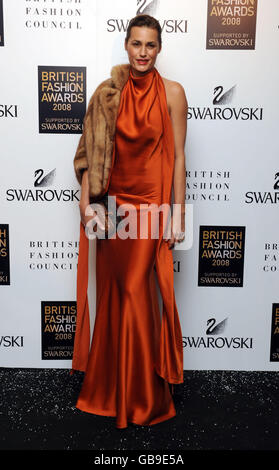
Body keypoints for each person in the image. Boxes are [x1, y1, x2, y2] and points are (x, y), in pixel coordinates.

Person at [71, 14, 188, 429]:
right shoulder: (106, 94)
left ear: (159, 49)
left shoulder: (173, 93)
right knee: (116, 294)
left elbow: (178, 160)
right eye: (136, 44)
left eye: (150, 45)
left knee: (138, 292)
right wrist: (87, 205)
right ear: (126, 45)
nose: (142, 53)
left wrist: (177, 213)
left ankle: (141, 398)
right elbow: (89, 158)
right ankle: (108, 391)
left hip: (152, 209)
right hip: (114, 210)